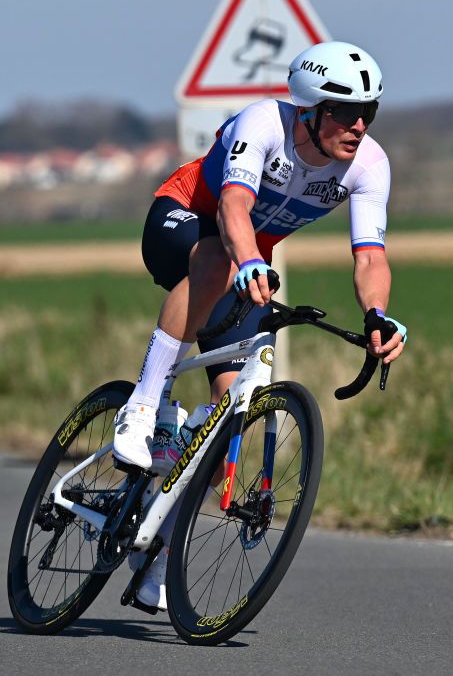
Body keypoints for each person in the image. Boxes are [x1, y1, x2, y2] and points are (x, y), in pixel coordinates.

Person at [113, 41, 408, 610]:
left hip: (243, 259)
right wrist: (249, 259)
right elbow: (232, 209)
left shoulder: (369, 165)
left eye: (368, 112)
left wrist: (376, 315)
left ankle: (155, 550)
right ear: (309, 109)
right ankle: (144, 404)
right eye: (345, 112)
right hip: (185, 221)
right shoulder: (262, 124)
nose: (359, 125)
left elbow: (370, 256)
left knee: (228, 417)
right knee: (216, 260)